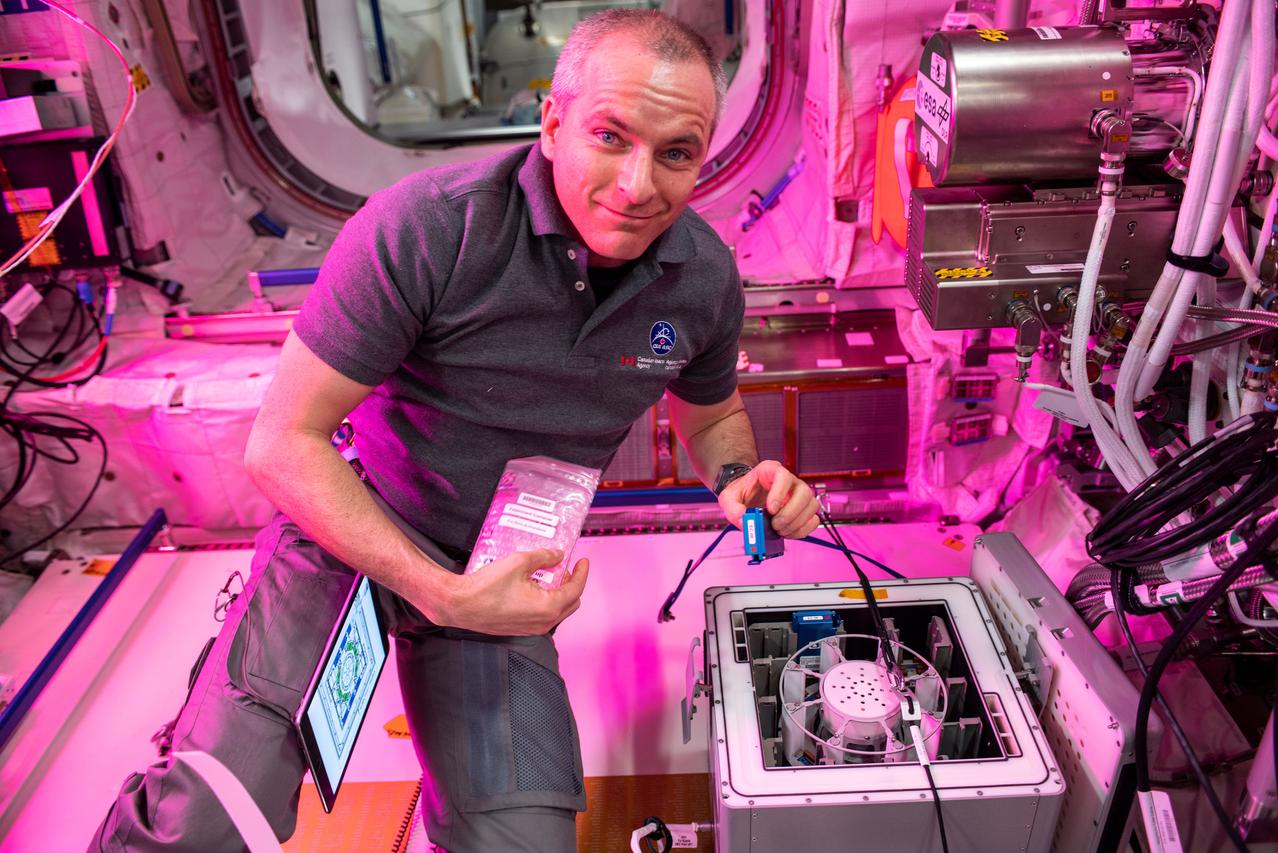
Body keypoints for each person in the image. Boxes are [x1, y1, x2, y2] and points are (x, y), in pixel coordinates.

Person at [91, 9, 820, 852]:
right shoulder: (429, 227)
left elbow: (713, 411)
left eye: (676, 153)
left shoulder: (703, 278)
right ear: (552, 122)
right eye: (610, 136)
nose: (636, 184)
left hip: (501, 572)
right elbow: (282, 442)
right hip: (352, 530)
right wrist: (434, 588)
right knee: (203, 825)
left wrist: (739, 478)